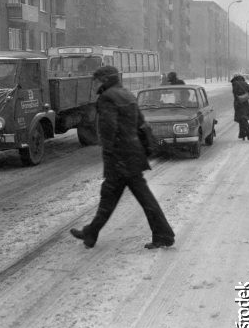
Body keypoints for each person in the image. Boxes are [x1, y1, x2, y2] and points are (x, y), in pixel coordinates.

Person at [70, 66, 175, 249]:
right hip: (133, 153)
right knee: (111, 197)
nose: (96, 84)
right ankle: (91, 232)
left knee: (129, 198)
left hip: (119, 157)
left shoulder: (107, 98)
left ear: (105, 80)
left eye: (98, 80)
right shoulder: (126, 94)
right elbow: (141, 123)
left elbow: (109, 129)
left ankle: (163, 235)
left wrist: (109, 153)